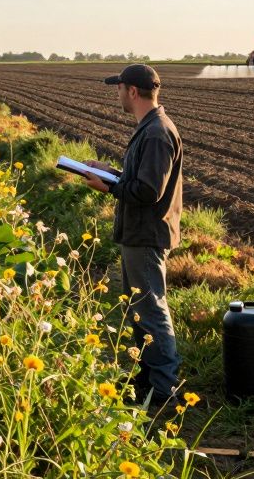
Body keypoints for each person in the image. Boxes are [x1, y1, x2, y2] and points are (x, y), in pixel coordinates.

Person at [79, 63, 183, 412]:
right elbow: (140, 180)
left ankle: (165, 391)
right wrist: (113, 173)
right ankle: (146, 382)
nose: (117, 94)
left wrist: (108, 185)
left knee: (151, 310)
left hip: (146, 234)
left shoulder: (156, 133)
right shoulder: (151, 128)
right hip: (139, 233)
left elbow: (149, 191)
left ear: (133, 92)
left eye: (119, 88)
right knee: (140, 310)